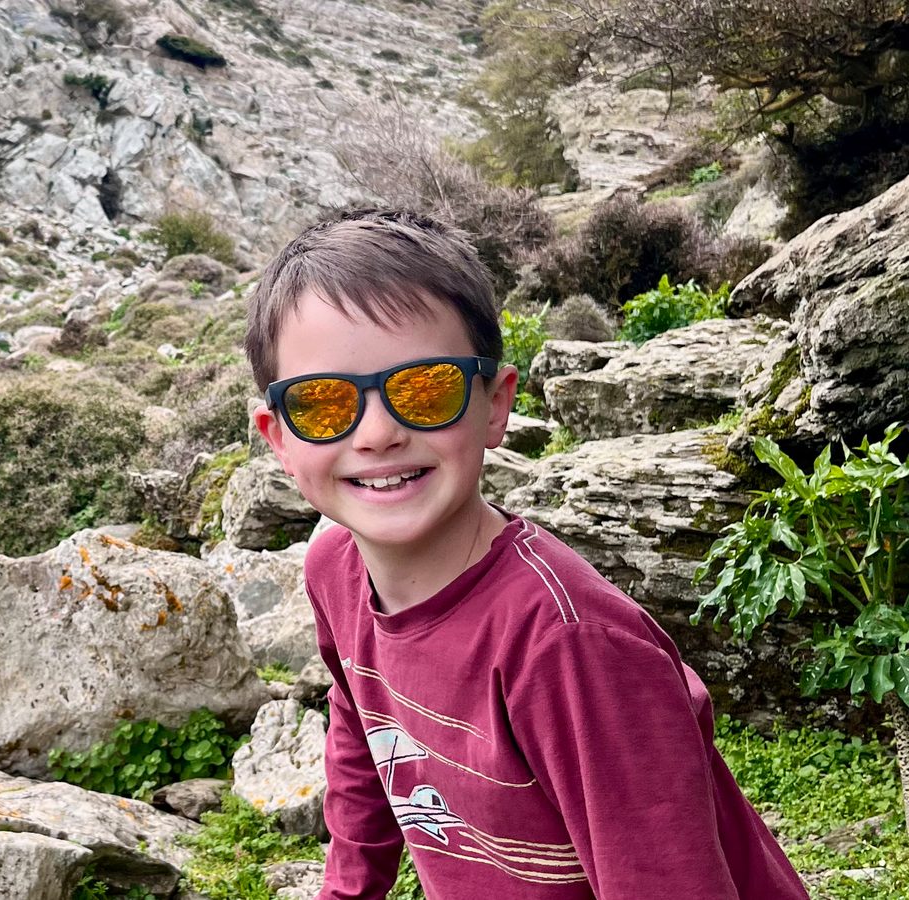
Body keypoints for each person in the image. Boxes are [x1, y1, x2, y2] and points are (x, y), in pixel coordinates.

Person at [244, 208, 807, 899]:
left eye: (427, 389)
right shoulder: (333, 568)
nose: (378, 433)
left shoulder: (570, 646)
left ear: (495, 404)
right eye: (324, 405)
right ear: (278, 437)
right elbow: (362, 727)